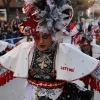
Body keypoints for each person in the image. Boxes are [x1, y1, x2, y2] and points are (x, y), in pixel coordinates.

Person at [0, 0, 100, 100]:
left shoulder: (65, 51)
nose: (41, 42)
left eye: (45, 36)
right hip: (32, 96)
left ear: (52, 34)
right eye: (36, 37)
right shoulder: (26, 49)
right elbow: (3, 64)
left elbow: (94, 68)